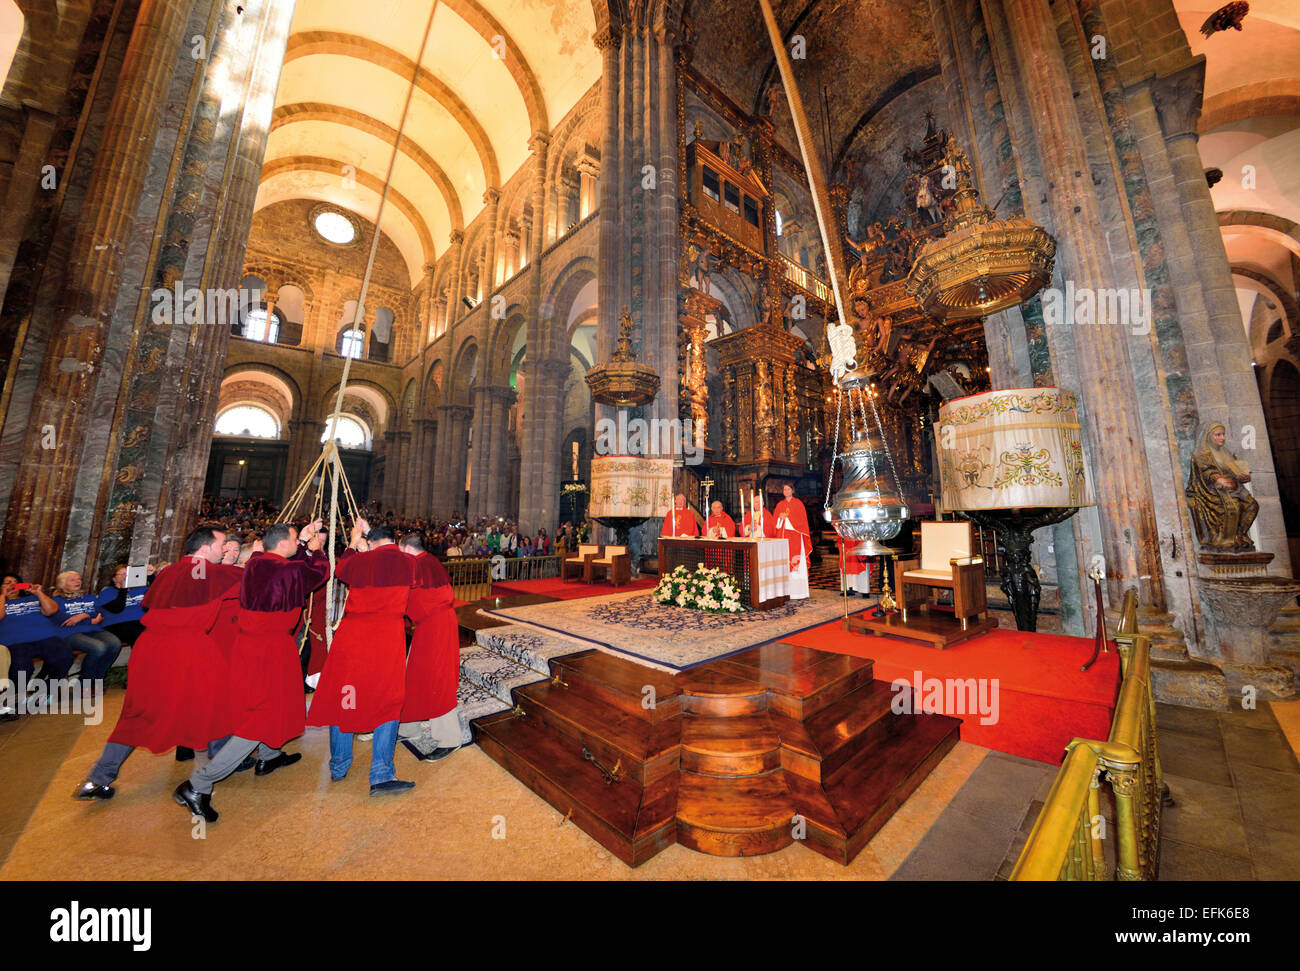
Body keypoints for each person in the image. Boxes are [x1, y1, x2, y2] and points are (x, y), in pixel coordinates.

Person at [75, 526, 244, 800]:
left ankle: (97, 779)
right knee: (219, 701)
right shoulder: (214, 574)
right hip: (187, 648)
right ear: (204, 547)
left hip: (150, 647)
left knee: (138, 712)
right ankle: (222, 763)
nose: (225, 549)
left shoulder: (169, 572)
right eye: (223, 544)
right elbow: (263, 580)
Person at [180, 519, 329, 822]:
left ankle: (270, 757)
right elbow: (318, 573)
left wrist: (300, 540)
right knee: (261, 717)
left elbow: (282, 561)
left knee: (275, 705)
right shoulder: (289, 570)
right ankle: (199, 783)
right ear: (284, 544)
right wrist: (317, 550)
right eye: (293, 540)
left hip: (250, 646)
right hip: (270, 650)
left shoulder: (256, 562)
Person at [306, 518, 416, 795]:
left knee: (346, 696)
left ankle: (339, 765)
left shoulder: (357, 561)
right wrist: (367, 538)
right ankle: (380, 773)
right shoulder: (407, 562)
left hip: (352, 637)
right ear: (394, 541)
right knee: (387, 699)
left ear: (370, 542)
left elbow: (342, 570)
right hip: (386, 638)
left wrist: (355, 542)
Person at [396, 531, 461, 762]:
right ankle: (408, 728)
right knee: (413, 675)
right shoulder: (427, 560)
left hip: (438, 627)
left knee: (438, 679)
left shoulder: (416, 565)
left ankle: (450, 738)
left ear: (405, 548)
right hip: (428, 626)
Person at [0, 575, 76, 706]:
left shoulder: (32, 598)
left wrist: (38, 593)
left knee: (65, 656)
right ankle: (16, 698)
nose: (12, 585)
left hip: (45, 636)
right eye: (8, 583)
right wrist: (2, 595)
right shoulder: (1, 601)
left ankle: (43, 690)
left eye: (16, 583)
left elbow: (52, 610)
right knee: (21, 667)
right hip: (16, 641)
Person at [50, 571, 123, 684]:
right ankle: (85, 682)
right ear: (62, 583)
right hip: (69, 633)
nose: (78, 581)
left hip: (93, 630)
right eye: (72, 579)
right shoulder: (56, 601)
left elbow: (99, 613)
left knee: (115, 643)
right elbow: (65, 621)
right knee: (98, 647)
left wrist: (83, 615)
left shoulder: (90, 597)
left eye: (79, 579)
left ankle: (97, 680)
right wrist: (90, 620)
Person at [94, 563, 153, 647]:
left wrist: (151, 577)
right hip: (117, 624)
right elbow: (117, 609)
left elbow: (156, 599)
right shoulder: (107, 592)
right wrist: (123, 589)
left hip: (141, 622)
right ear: (114, 579)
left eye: (128, 574)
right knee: (139, 634)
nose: (126, 576)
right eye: (122, 574)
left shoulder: (142, 589)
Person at [774, 484, 811, 600]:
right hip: (783, 539)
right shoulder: (780, 505)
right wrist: (780, 518)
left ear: (792, 490)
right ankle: (786, 592)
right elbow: (775, 524)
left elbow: (802, 522)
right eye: (784, 489)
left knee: (796, 564)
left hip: (795, 538)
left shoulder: (798, 504)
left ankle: (798, 592)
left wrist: (788, 518)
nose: (786, 491)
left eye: (788, 489)